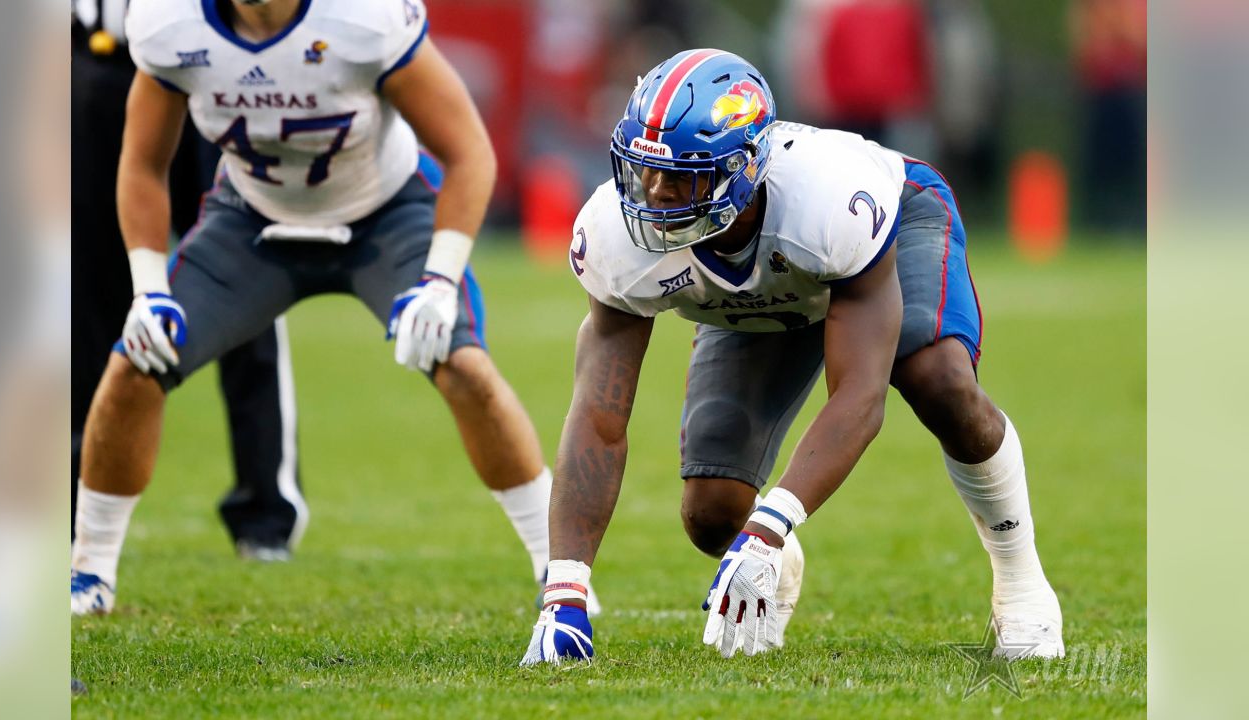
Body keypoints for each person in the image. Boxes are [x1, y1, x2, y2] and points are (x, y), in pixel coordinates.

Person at [521, 49, 1061, 664]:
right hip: (758, 288)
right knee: (712, 511)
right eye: (644, 171)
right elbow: (598, 414)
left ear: (745, 168)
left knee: (935, 375)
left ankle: (1021, 580)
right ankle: (762, 550)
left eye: (683, 177)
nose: (656, 195)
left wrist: (773, 524)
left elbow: (860, 395)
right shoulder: (617, 234)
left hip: (882, 233)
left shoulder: (829, 201)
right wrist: (564, 594)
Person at [71, 0, 582, 616]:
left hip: (385, 214)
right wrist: (149, 288)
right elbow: (143, 165)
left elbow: (469, 151)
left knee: (462, 365)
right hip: (252, 220)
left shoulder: (361, 18)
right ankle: (89, 570)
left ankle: (555, 566)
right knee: (136, 363)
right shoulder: (167, 22)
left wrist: (440, 280)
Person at [73, 0, 307, 560]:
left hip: (208, 58)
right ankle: (79, 506)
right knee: (87, 293)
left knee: (243, 275)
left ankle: (265, 511)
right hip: (97, 60)